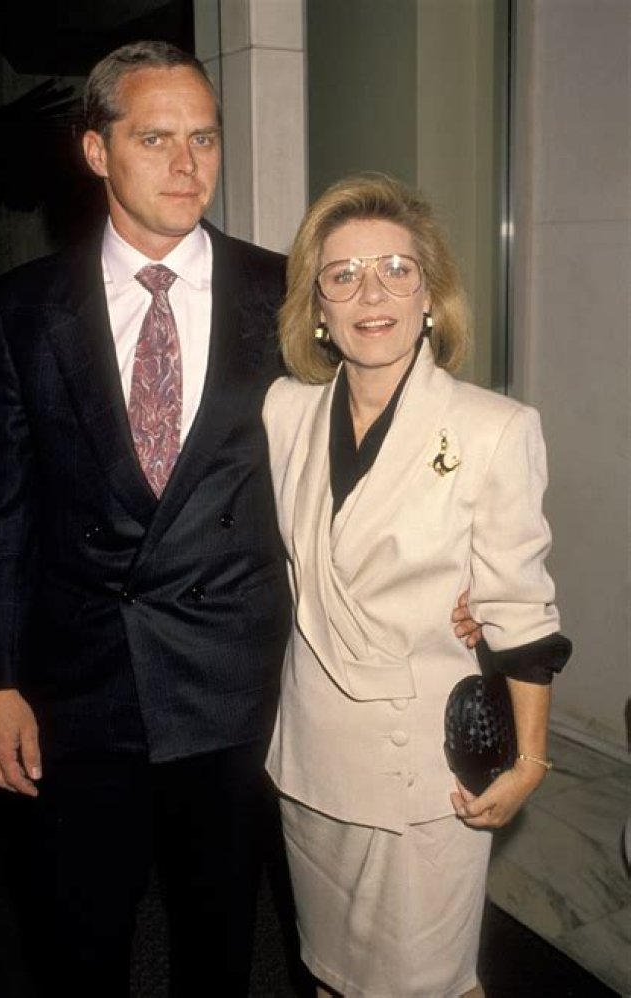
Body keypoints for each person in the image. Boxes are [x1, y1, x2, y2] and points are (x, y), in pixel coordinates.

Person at [0, 42, 481, 998]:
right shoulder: (22, 310)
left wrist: (460, 578)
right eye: (155, 138)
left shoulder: (285, 291)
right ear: (96, 150)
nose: (186, 164)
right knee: (80, 937)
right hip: (80, 681)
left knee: (220, 939)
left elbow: (384, 437)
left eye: (203, 138)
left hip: (236, 676)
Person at [262, 172, 572, 998]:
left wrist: (530, 759)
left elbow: (519, 608)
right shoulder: (283, 412)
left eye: (396, 270)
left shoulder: (494, 429)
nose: (372, 294)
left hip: (423, 774)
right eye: (343, 274)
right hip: (313, 758)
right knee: (331, 974)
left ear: (430, 294)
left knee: (429, 981)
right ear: (317, 307)